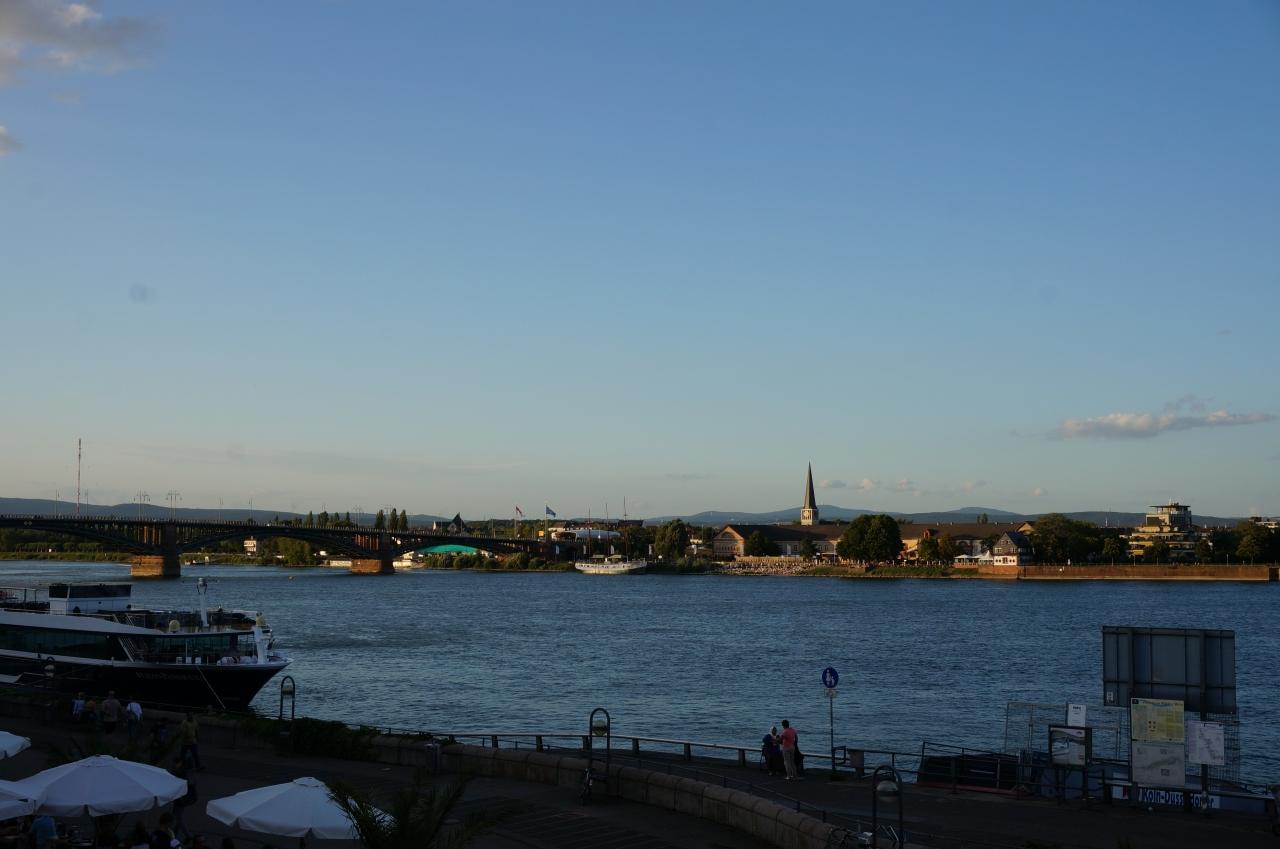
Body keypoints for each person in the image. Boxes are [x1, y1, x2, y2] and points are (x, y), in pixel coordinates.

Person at [171, 757, 197, 841]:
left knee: (178, 818)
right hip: (184, 798)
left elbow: (178, 784)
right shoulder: (190, 772)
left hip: (181, 799)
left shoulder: (182, 773)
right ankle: (174, 834)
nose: (174, 765)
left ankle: (188, 836)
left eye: (175, 763)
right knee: (177, 816)